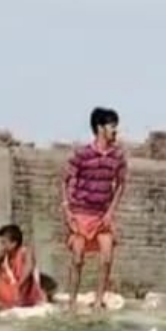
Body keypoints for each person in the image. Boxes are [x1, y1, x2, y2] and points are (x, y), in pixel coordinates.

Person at [63, 106, 127, 311]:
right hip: (80, 212)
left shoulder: (118, 156)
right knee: (77, 258)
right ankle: (72, 303)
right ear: (100, 128)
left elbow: (121, 184)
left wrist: (111, 212)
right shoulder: (82, 154)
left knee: (107, 258)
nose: (115, 131)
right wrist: (67, 211)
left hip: (101, 215)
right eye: (112, 126)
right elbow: (64, 180)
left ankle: (99, 301)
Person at [0, 223, 47, 312]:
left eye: (4, 242)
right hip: (12, 292)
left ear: (13, 243)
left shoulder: (25, 251)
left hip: (23, 294)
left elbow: (29, 267)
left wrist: (19, 286)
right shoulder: (5, 257)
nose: (2, 245)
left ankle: (10, 303)